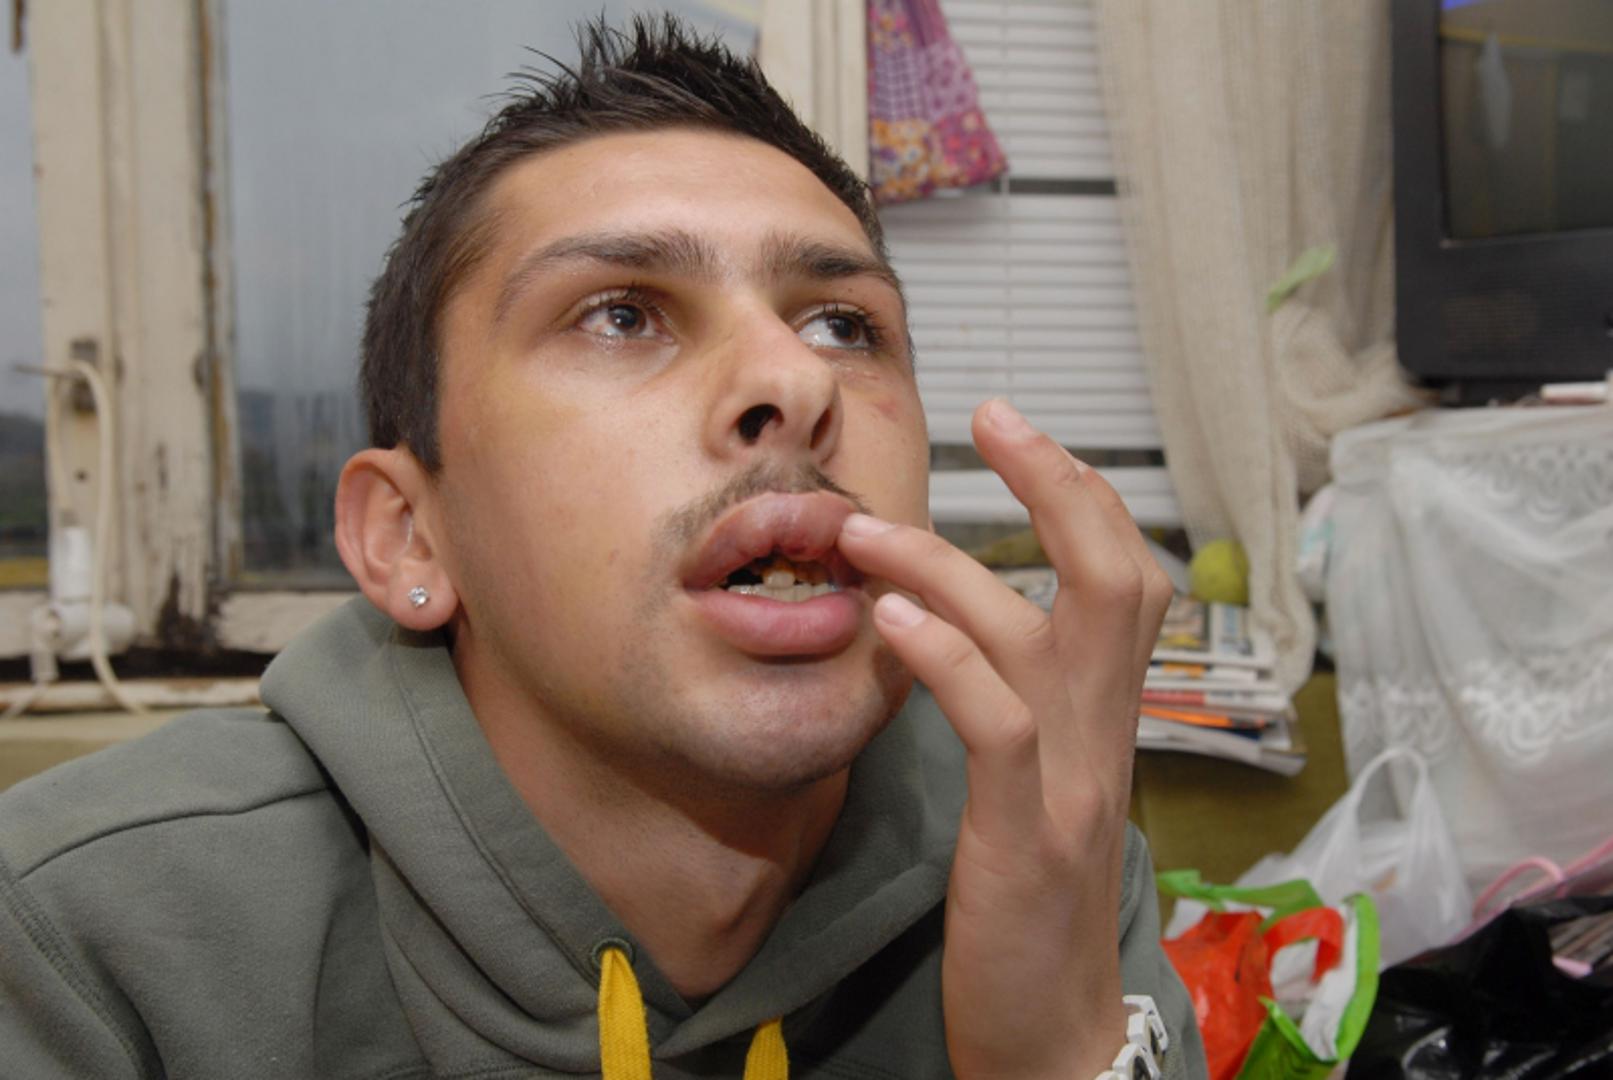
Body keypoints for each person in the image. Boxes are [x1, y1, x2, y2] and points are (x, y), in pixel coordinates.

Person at [0, 15, 1205, 1079]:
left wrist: (1055, 1056)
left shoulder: (1048, 858)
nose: (794, 380)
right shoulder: (75, 938)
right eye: (621, 314)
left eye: (843, 325)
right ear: (409, 537)